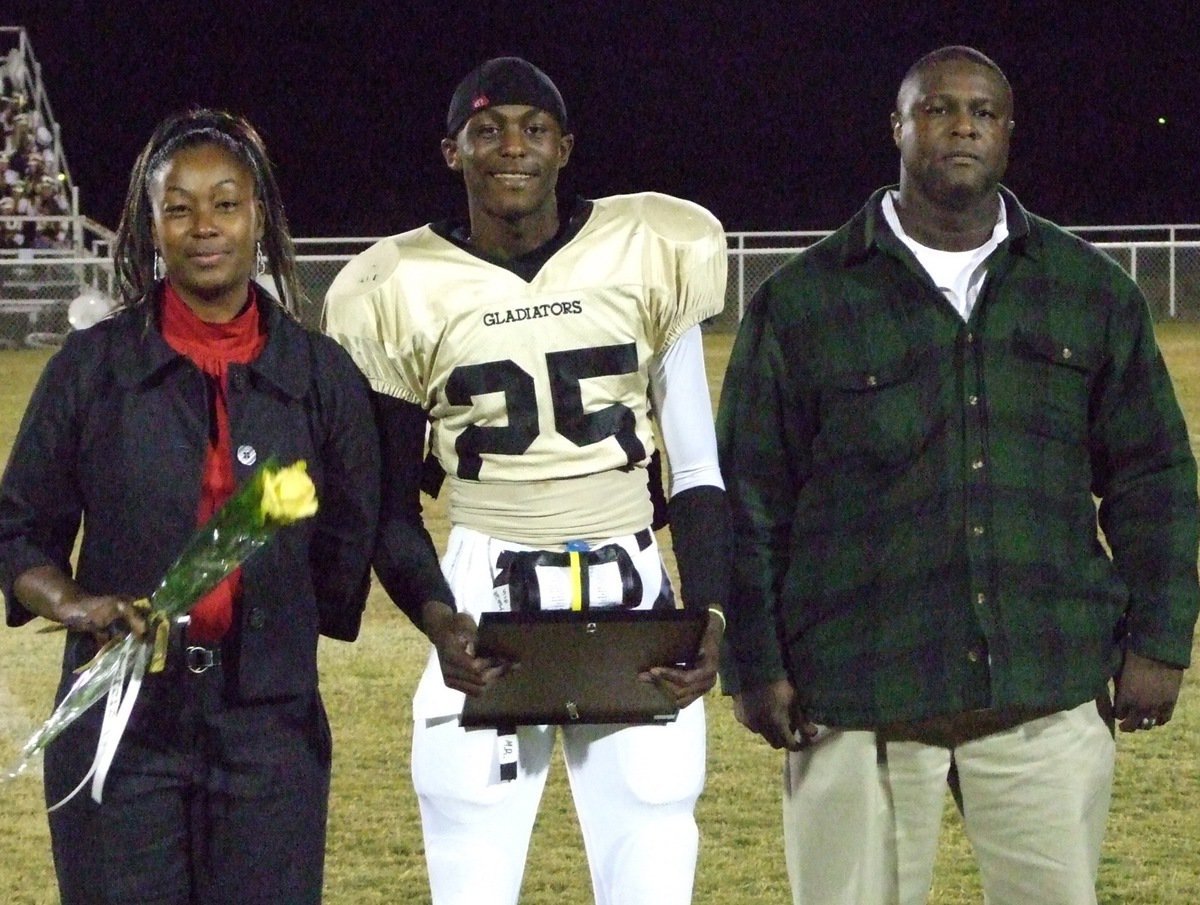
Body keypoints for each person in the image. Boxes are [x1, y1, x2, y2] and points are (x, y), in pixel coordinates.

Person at [717, 45, 1199, 905]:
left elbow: (1152, 476)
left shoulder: (1088, 290)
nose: (962, 124)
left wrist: (1161, 640)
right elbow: (751, 499)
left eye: (983, 110)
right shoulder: (802, 301)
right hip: (853, 693)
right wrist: (755, 664)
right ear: (898, 128)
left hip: (1042, 688)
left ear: (1009, 134)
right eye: (937, 108)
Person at [324, 56, 730, 905]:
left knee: (653, 843)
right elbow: (388, 505)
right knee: (470, 854)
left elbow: (695, 468)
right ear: (452, 151)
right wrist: (439, 620)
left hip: (630, 579)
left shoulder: (649, 246)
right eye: (487, 130)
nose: (512, 147)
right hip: (484, 578)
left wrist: (713, 610)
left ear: (565, 146)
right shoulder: (398, 284)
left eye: (533, 129)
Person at [0, 108, 380, 904]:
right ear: (151, 227)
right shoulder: (91, 368)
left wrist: (280, 628)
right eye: (179, 206)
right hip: (122, 725)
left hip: (269, 733)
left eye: (226, 202)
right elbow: (16, 527)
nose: (203, 225)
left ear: (260, 218)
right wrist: (72, 602)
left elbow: (350, 534)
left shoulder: (321, 375)